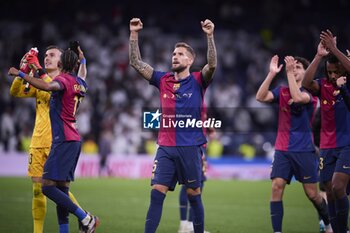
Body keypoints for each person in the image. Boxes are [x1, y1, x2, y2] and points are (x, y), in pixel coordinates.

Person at [129, 17, 217, 233]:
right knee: (156, 192)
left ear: (189, 61)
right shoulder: (163, 79)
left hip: (191, 147)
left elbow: (212, 64)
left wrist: (210, 36)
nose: (174, 56)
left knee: (194, 194)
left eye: (180, 54)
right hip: (166, 147)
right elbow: (136, 63)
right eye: (173, 53)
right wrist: (134, 34)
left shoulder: (198, 80)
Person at [8, 49, 99, 233]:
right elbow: (83, 73)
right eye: (46, 55)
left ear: (61, 63)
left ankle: (86, 218)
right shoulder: (78, 82)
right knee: (60, 190)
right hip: (62, 139)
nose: (47, 58)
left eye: (53, 55)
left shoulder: (62, 81)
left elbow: (50, 87)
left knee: (48, 188)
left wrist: (25, 72)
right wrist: (83, 60)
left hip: (61, 139)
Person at [256, 55, 331, 233]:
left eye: (299, 67)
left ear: (306, 73)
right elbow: (260, 97)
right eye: (293, 66)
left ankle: (328, 224)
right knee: (276, 187)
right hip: (282, 150)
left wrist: (289, 73)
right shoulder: (281, 91)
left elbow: (297, 98)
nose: (295, 69)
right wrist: (271, 74)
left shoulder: (310, 95)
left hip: (304, 151)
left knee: (312, 194)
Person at [302, 30, 350, 233]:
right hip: (327, 145)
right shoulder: (323, 86)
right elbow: (305, 83)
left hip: (347, 144)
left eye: (336, 72)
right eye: (329, 72)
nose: (332, 76)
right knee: (329, 191)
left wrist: (335, 50)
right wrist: (319, 56)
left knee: (339, 187)